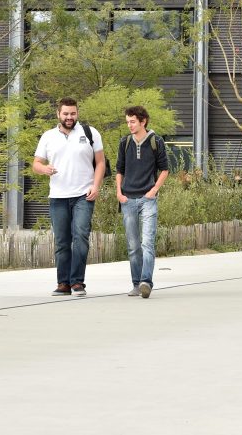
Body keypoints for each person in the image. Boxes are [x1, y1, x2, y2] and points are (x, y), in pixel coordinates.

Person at [32, 98, 106, 297]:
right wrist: (44, 169)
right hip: (58, 197)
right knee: (62, 241)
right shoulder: (48, 136)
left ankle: (77, 282)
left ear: (77, 113)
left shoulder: (90, 133)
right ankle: (63, 283)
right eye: (65, 114)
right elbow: (36, 163)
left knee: (80, 236)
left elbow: (100, 163)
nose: (69, 117)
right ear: (58, 114)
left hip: (84, 194)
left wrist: (95, 186)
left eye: (73, 113)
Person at [115, 105, 169, 299]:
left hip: (148, 200)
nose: (129, 125)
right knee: (133, 245)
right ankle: (136, 284)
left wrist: (154, 190)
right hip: (127, 199)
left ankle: (146, 282)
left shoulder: (156, 141)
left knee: (147, 242)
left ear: (143, 121)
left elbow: (165, 169)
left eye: (132, 121)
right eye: (127, 121)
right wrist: (119, 193)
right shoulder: (125, 142)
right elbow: (119, 170)